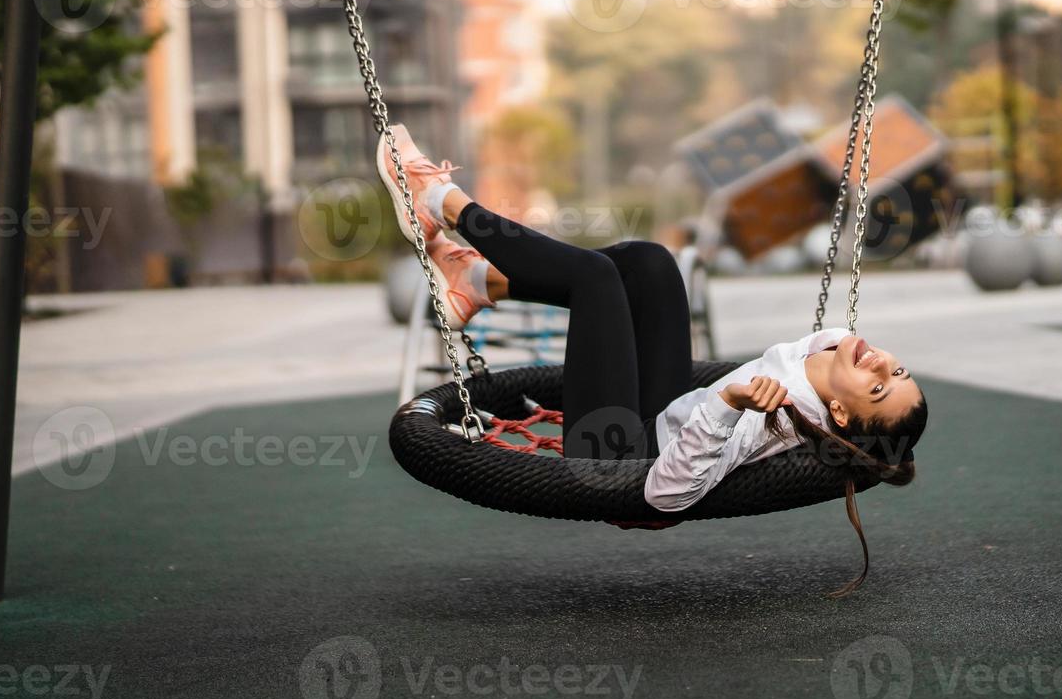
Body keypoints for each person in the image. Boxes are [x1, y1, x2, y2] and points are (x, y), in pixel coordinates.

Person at [378, 126, 929, 593]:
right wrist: (859, 380)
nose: (882, 366)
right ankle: (477, 281)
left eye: (879, 388)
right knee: (648, 263)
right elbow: (836, 348)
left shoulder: (771, 417)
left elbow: (666, 496)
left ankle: (437, 201)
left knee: (593, 280)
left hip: (614, 462)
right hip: (664, 416)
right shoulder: (834, 357)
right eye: (897, 371)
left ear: (837, 413)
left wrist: (728, 405)